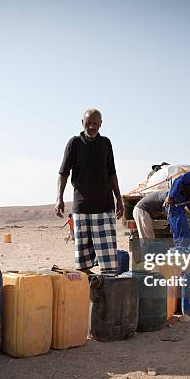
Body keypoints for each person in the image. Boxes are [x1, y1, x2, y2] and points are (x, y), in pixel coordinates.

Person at [55, 109, 123, 274]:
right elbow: (63, 173)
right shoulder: (74, 143)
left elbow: (112, 173)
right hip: (82, 208)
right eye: (88, 123)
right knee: (83, 262)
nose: (91, 127)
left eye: (95, 123)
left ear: (101, 123)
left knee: (109, 262)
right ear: (82, 123)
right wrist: (59, 198)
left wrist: (118, 198)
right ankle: (90, 293)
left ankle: (106, 295)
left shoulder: (106, 143)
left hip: (105, 207)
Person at [165, 168, 190, 247]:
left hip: (174, 209)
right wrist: (171, 196)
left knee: (178, 235)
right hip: (174, 208)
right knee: (183, 234)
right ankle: (184, 253)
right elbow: (178, 180)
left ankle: (180, 253)